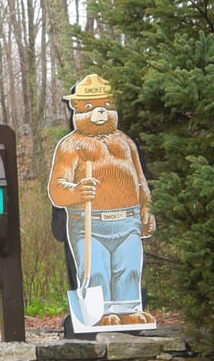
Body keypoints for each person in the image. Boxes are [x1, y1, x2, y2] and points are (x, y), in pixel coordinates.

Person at [48, 74, 155, 329]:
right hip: (89, 223)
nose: (100, 113)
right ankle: (99, 312)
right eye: (90, 107)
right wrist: (76, 192)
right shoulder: (70, 145)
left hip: (127, 220)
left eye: (106, 106)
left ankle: (128, 310)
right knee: (95, 271)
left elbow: (140, 179)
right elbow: (56, 189)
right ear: (77, 111)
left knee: (129, 268)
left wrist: (147, 209)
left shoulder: (126, 142)